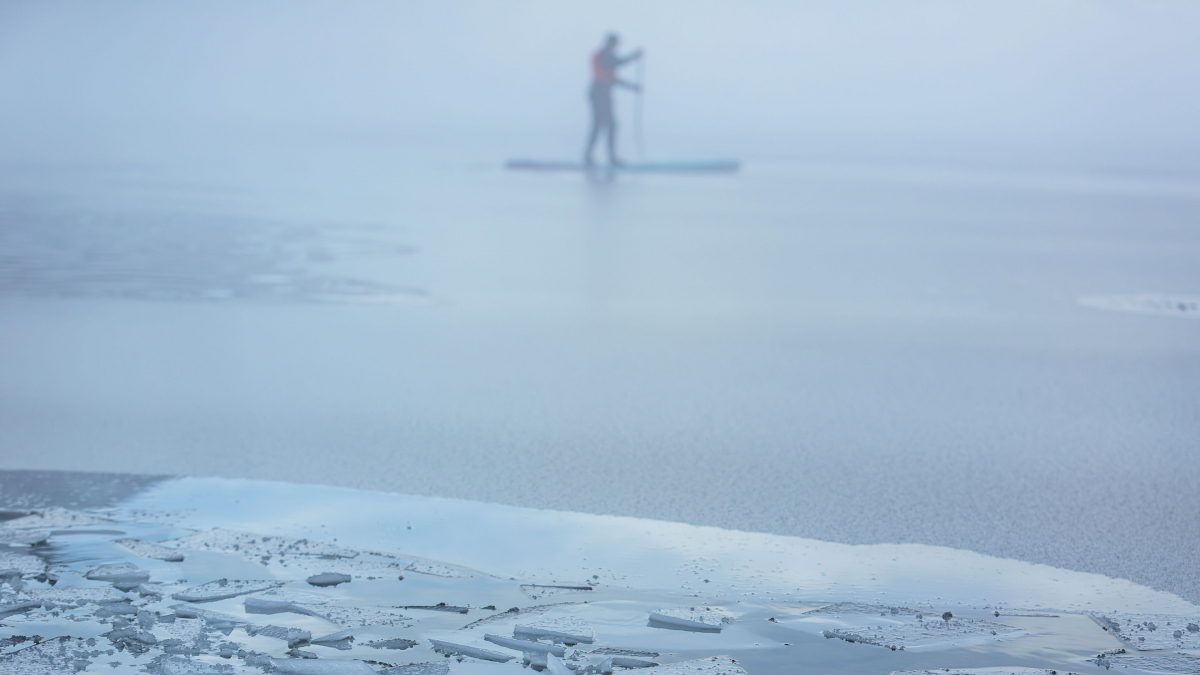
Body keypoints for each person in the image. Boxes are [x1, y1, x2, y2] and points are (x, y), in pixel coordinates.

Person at [584, 33, 643, 167]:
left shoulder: (607, 57)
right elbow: (615, 64)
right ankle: (608, 157)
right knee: (607, 124)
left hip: (602, 94)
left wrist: (633, 87)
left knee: (602, 125)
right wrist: (634, 56)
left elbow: (613, 77)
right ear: (611, 43)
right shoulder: (604, 56)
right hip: (599, 94)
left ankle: (593, 156)